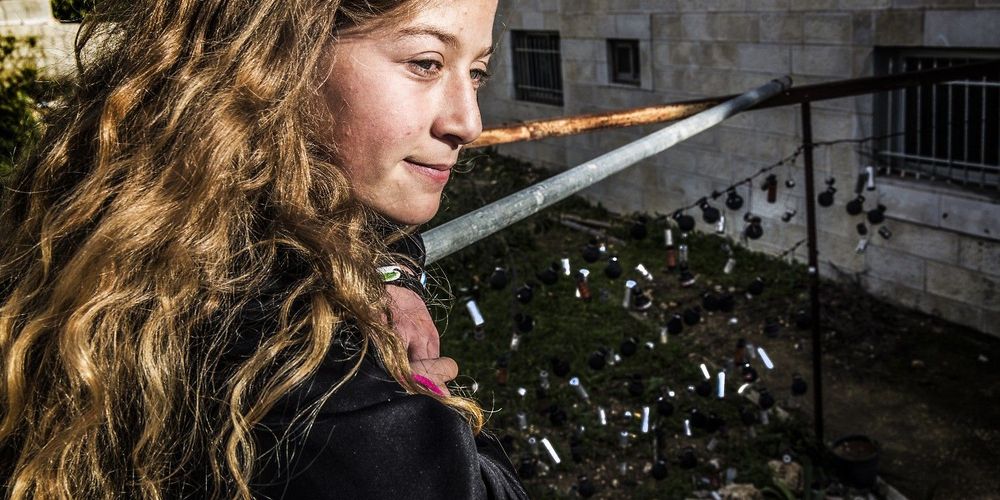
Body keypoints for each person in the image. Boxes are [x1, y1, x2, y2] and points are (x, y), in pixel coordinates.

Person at [0, 0, 526, 498]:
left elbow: (370, 224)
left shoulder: (141, 214)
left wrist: (389, 272)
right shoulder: (320, 381)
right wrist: (439, 419)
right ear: (286, 54)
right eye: (426, 64)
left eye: (476, 72)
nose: (469, 122)